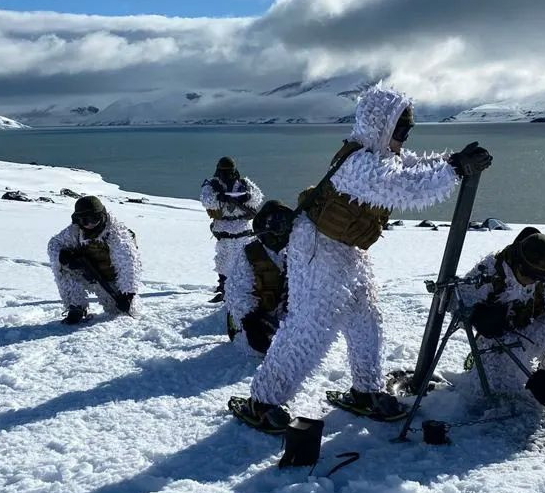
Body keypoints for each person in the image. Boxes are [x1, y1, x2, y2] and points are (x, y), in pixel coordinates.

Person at [230, 87, 493, 433]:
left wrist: (451, 161)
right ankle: (263, 400)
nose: (405, 136)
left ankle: (366, 390)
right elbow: (405, 187)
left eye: (408, 129)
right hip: (317, 251)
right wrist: (456, 169)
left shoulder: (382, 156)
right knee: (309, 327)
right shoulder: (358, 164)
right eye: (400, 129)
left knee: (366, 318)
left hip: (350, 251)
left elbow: (413, 167)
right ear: (380, 125)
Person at [453, 227, 545, 406]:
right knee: (495, 388)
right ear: (517, 262)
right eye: (527, 274)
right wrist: (477, 316)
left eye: (538, 277)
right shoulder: (491, 268)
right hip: (499, 332)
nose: (532, 280)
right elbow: (458, 300)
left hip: (536, 327)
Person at [48, 196, 141, 325]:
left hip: (113, 282)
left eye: (93, 219)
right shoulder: (75, 231)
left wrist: (128, 294)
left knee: (123, 312)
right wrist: (62, 256)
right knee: (63, 270)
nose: (89, 224)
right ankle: (76, 308)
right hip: (89, 275)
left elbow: (129, 265)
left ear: (102, 216)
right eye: (84, 220)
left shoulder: (117, 234)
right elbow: (54, 244)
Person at [223, 200, 293, 355]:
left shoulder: (295, 252)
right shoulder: (251, 252)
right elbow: (236, 292)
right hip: (253, 324)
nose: (280, 230)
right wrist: (251, 321)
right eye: (275, 224)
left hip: (284, 323)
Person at [200, 157, 264, 302]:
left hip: (242, 230)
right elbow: (206, 200)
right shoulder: (213, 184)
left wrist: (246, 197)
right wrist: (221, 198)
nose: (227, 174)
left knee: (242, 261)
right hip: (224, 231)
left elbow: (257, 197)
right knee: (223, 260)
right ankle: (223, 287)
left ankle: (242, 287)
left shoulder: (244, 184)